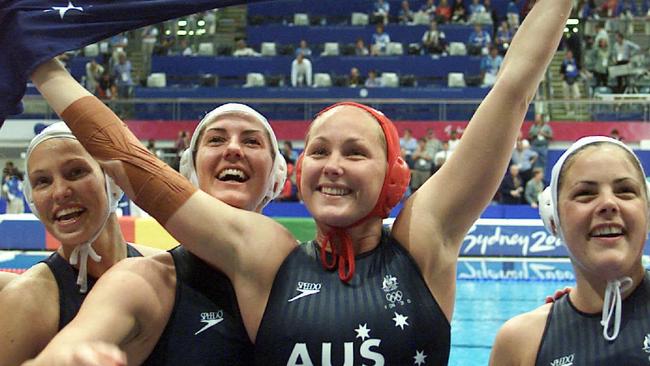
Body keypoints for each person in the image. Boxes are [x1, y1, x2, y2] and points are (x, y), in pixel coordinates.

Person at [25, 1, 571, 363]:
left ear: (392, 178)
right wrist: (41, 63)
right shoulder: (268, 258)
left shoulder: (425, 242)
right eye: (318, 151)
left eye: (355, 152)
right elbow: (135, 167)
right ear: (300, 173)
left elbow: (512, 90)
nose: (332, 164)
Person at [24, 81, 287, 365]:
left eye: (251, 141)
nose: (234, 149)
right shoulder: (145, 279)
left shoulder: (305, 268)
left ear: (276, 177)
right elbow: (79, 339)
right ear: (189, 171)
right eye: (216, 140)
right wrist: (64, 356)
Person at [0, 122, 159, 365]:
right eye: (42, 181)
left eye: (75, 172)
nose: (60, 192)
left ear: (112, 182)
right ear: (32, 201)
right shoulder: (26, 302)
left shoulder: (163, 269)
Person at [490, 136, 650, 364]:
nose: (608, 203)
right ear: (553, 220)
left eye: (625, 190)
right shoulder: (522, 342)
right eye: (585, 193)